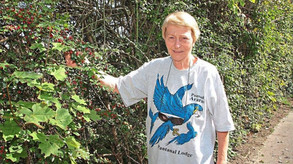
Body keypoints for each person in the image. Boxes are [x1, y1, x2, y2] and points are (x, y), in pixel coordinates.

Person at [68, 11, 235, 164]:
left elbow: (223, 124)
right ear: (164, 38)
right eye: (171, 37)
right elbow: (119, 85)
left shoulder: (207, 73)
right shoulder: (154, 69)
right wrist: (86, 67)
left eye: (184, 38)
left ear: (193, 39)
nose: (177, 45)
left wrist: (222, 161)